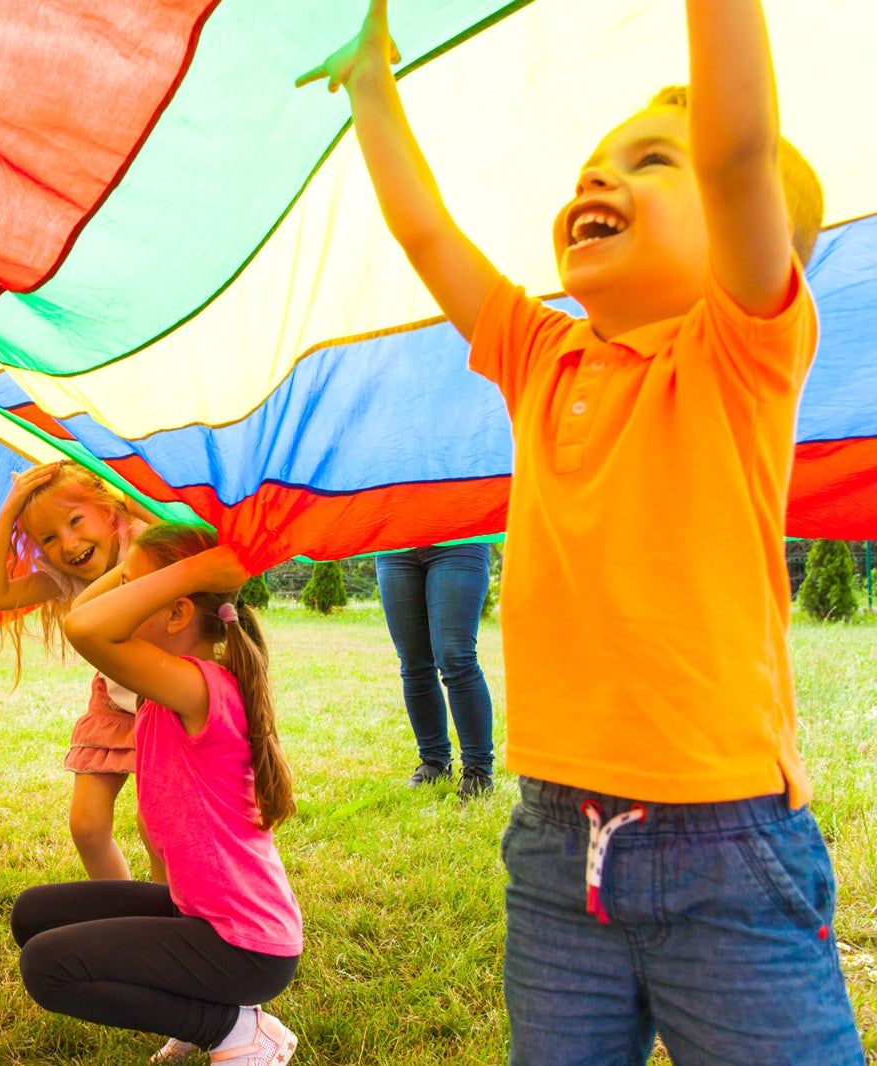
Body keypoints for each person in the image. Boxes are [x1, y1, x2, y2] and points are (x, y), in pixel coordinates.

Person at [299, 1, 861, 1060]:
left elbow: (740, 148)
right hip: (556, 849)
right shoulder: (539, 357)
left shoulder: (738, 356)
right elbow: (427, 234)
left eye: (650, 161)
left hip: (726, 848)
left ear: (757, 238)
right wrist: (372, 83)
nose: (596, 181)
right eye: (593, 166)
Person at [13, 524, 302, 1066]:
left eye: (134, 588)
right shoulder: (166, 682)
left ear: (175, 614)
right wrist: (138, 567)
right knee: (33, 916)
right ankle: (209, 1007)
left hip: (245, 947)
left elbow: (84, 626)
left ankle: (234, 1029)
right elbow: (91, 623)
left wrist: (187, 571)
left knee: (47, 967)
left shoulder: (200, 687)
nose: (121, 594)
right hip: (201, 916)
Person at [0, 461, 160, 881]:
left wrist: (126, 492)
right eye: (49, 538)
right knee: (87, 826)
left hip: (166, 703)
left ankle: (164, 917)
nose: (69, 544)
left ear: (109, 507)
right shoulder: (65, 578)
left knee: (157, 829)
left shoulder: (146, 541)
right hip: (115, 702)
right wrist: (9, 513)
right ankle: (120, 914)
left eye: (76, 520)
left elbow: (188, 530)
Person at [374, 544, 495, 797]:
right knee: (413, 661)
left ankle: (478, 771)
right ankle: (434, 762)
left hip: (459, 538)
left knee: (455, 656)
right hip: (396, 543)